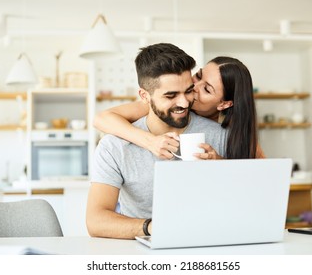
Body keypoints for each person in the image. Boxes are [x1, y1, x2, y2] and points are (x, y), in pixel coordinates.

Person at [86, 43, 228, 239]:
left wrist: (222, 167)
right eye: (171, 96)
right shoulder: (115, 146)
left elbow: (246, 198)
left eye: (188, 91)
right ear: (144, 96)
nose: (184, 103)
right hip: (141, 247)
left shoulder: (219, 135)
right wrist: (153, 228)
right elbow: (96, 221)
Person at [94, 57, 265, 159]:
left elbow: (260, 177)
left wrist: (220, 164)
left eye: (206, 89)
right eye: (197, 76)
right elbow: (102, 119)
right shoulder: (172, 107)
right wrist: (150, 141)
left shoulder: (234, 134)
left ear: (224, 104)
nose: (194, 86)